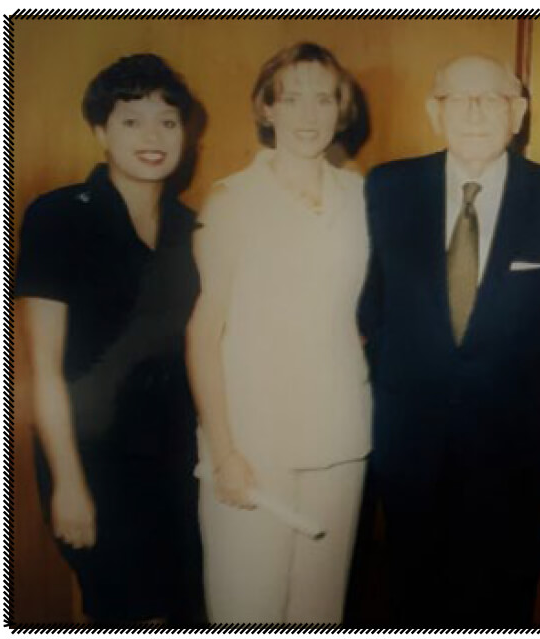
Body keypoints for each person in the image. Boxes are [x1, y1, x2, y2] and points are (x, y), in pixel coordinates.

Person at [357, 54, 540, 625]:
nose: (474, 111)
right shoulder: (385, 189)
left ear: (517, 113)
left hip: (515, 465)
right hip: (410, 456)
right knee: (407, 606)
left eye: (490, 98)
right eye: (457, 98)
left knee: (500, 608)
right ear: (433, 112)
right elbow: (368, 309)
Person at [185, 42, 370, 623]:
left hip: (340, 437)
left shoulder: (362, 196)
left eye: (323, 99)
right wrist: (223, 450)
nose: (309, 115)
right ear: (267, 109)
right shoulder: (231, 200)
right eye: (292, 99)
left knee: (319, 614)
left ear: (341, 109)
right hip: (252, 441)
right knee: (249, 611)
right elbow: (203, 336)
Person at [17, 53, 204, 624]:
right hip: (91, 461)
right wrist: (69, 484)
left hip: (175, 461)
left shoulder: (190, 228)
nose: (152, 136)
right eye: (131, 120)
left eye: (167, 122)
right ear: (101, 130)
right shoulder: (58, 217)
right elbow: (44, 370)